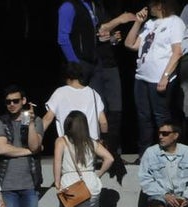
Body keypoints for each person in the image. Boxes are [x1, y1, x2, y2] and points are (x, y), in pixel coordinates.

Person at [57, 2, 135, 176]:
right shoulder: (69, 6)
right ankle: (73, 153)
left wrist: (109, 39)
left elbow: (93, 36)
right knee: (77, 110)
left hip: (94, 64)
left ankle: (101, 150)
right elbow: (63, 38)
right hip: (80, 64)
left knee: (97, 110)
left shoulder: (89, 6)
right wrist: (74, 63)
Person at [125, 2, 185, 151]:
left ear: (161, 5)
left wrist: (165, 76)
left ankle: (166, 151)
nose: (149, 6)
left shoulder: (175, 22)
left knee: (161, 117)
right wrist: (138, 23)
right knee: (143, 117)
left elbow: (177, 52)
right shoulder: (149, 23)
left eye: (152, 3)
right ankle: (144, 154)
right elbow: (130, 44)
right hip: (142, 78)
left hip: (159, 78)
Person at [137, 121, 188, 207]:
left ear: (175, 135)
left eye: (165, 134)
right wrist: (165, 195)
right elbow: (145, 180)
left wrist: (185, 197)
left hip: (183, 196)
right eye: (159, 133)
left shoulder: (186, 152)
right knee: (157, 205)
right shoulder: (151, 152)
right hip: (160, 196)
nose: (160, 136)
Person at [42, 62, 108, 140]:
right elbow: (103, 123)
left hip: (70, 144)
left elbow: (47, 118)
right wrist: (103, 141)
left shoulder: (60, 93)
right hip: (92, 144)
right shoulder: (93, 93)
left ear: (67, 77)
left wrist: (37, 137)